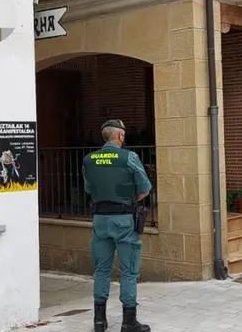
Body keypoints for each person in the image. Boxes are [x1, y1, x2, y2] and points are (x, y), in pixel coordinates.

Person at [83, 119, 151, 332]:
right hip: (123, 220)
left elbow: (88, 188)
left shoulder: (88, 159)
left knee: (101, 270)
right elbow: (144, 188)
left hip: (100, 221)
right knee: (128, 271)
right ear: (120, 135)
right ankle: (128, 322)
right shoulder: (128, 157)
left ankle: (99, 321)